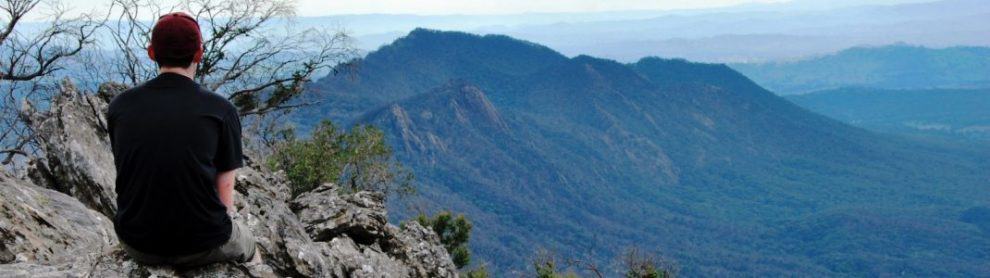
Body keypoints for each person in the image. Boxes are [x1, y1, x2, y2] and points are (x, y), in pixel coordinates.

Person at [107, 12, 258, 267]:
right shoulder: (220, 110)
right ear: (199, 54)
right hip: (204, 242)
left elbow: (126, 167)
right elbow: (225, 196)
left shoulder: (120, 106)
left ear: (151, 53)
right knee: (252, 249)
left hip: (137, 242)